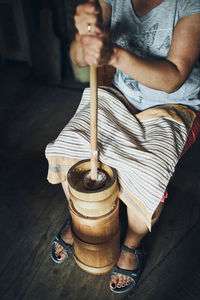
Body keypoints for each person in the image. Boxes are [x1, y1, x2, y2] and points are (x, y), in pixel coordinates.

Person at [46, 0, 200, 294]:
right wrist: (83, 38)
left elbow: (174, 77)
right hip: (122, 94)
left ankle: (132, 243)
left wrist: (113, 54)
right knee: (69, 145)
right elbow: (79, 59)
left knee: (147, 177)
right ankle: (86, 218)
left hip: (173, 106)